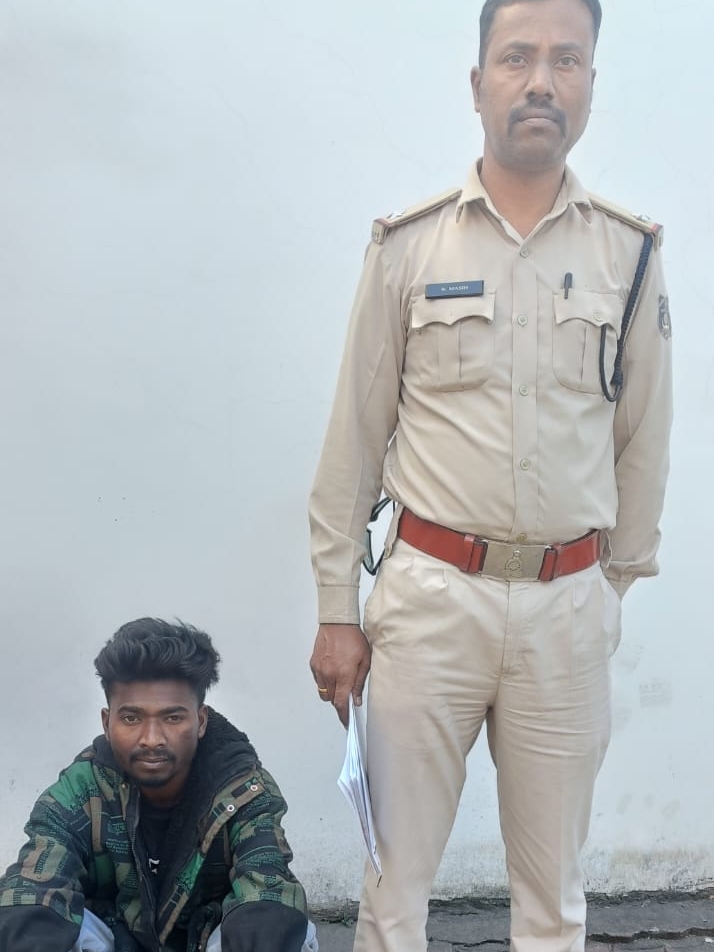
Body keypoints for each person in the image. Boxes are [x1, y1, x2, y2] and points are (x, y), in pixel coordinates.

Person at [308, 0, 672, 950]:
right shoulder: (409, 247)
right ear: (478, 85)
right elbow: (354, 439)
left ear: (591, 83)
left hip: (566, 610)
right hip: (431, 601)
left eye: (566, 60)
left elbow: (643, 437)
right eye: (517, 58)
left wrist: (609, 586)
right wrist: (337, 608)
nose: (541, 81)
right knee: (394, 891)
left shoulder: (629, 254)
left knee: (554, 902)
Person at [0, 618, 318, 952]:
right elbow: (34, 883)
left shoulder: (243, 790)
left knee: (290, 930)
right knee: (35, 920)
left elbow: (267, 884)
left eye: (172, 717)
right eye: (132, 718)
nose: (152, 739)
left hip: (206, 943)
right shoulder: (82, 788)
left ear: (201, 722)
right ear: (107, 723)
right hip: (116, 942)